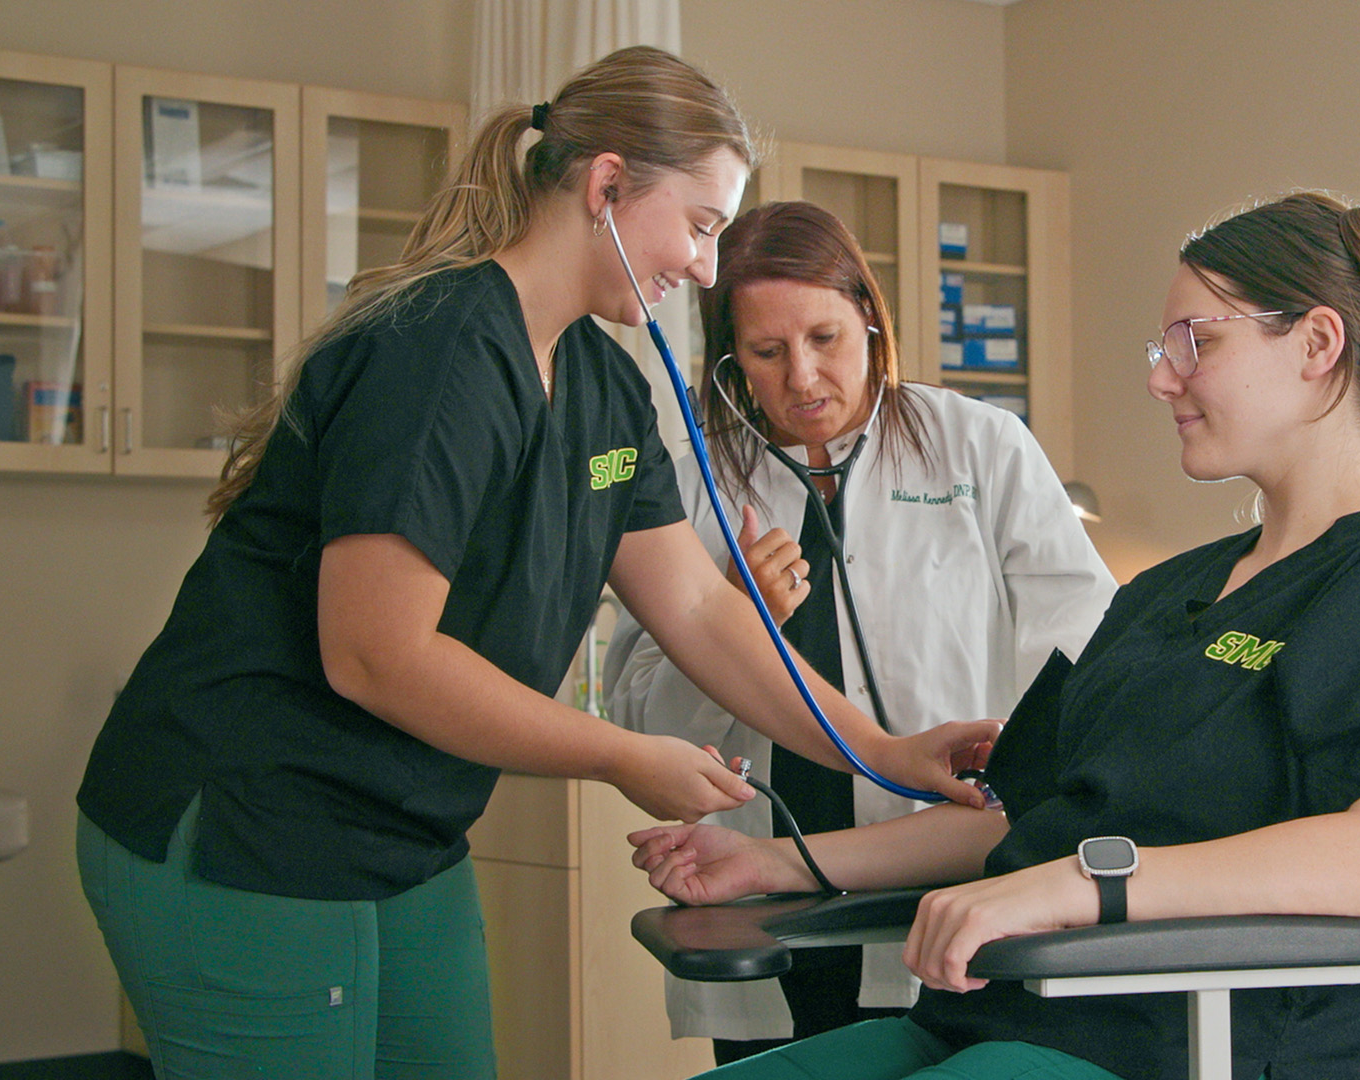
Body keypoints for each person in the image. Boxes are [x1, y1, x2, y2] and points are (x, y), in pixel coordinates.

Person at [74, 47, 996, 1080]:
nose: (704, 269)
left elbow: (694, 604)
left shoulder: (604, 382)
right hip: (249, 818)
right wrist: (616, 753)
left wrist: (880, 749)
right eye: (698, 225)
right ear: (605, 186)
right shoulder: (440, 353)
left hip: (399, 833)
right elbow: (375, 656)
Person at [629, 191, 1360, 1080]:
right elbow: (1021, 817)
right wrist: (774, 863)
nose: (1163, 376)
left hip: (1186, 1046)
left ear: (1317, 343)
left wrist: (1081, 887)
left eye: (1194, 341)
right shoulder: (1172, 593)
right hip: (992, 1021)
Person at [605, 201, 1117, 1061]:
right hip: (761, 906)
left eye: (826, 339)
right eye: (767, 354)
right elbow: (648, 734)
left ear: (872, 325)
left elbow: (1086, 660)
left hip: (948, 889)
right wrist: (732, 620)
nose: (802, 378)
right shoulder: (689, 489)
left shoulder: (978, 449)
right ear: (731, 363)